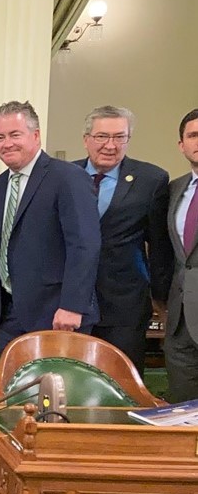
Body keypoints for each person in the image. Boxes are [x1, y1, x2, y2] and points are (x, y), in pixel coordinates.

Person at [0, 101, 101, 354]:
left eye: (15, 135)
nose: (7, 143)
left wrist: (73, 305)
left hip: (57, 313)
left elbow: (84, 244)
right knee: (16, 391)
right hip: (7, 313)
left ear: (35, 135)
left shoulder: (68, 177)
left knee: (58, 391)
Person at [74, 106, 172, 376]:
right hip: (70, 302)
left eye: (120, 137)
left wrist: (160, 298)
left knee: (122, 382)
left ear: (129, 139)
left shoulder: (152, 180)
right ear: (86, 139)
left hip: (125, 303)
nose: (110, 145)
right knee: (71, 382)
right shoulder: (63, 176)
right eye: (102, 136)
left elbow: (160, 245)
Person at [165, 108, 198, 402]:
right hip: (180, 320)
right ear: (182, 145)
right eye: (193, 135)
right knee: (182, 410)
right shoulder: (175, 189)